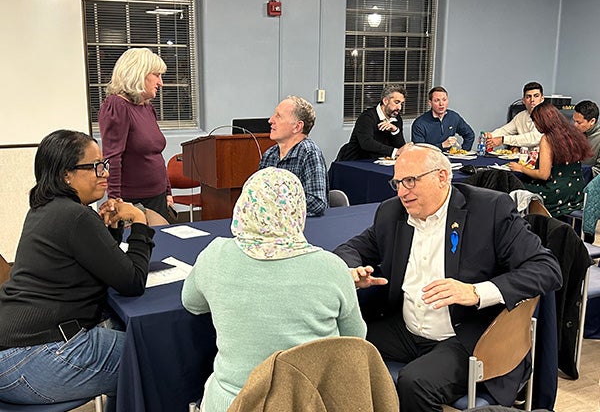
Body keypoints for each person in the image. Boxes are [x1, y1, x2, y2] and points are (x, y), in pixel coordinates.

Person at [333, 143, 562, 412]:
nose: (403, 192)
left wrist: (477, 292)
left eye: (410, 181)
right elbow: (351, 249)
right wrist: (352, 270)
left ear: (442, 176)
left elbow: (546, 268)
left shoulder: (489, 210)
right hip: (406, 327)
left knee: (415, 382)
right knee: (341, 347)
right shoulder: (392, 212)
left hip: (466, 335)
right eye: (397, 183)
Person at [181, 167, 366, 412]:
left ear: (244, 204)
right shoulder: (332, 268)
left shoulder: (215, 254)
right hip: (309, 403)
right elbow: (354, 340)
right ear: (298, 209)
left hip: (233, 401)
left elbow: (191, 302)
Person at [0, 130, 155, 410]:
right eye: (95, 166)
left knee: (128, 335)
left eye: (104, 164)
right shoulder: (75, 216)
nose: (104, 173)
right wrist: (140, 224)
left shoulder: (45, 209)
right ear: (65, 175)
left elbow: (95, 262)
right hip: (34, 357)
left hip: (13, 349)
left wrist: (108, 229)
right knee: (152, 358)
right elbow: (132, 281)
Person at [99, 47, 173, 221]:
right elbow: (113, 157)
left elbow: (156, 154)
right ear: (139, 74)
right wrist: (115, 199)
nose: (161, 83)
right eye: (156, 75)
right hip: (132, 201)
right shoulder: (117, 106)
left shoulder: (147, 107)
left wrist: (167, 191)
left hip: (158, 196)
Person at [508, 101, 592, 217]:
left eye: (535, 121)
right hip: (576, 192)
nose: (535, 126)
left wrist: (521, 168)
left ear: (542, 121)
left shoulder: (547, 139)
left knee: (514, 188)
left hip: (556, 192)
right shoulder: (574, 133)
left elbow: (543, 174)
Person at [258, 96, 328, 216]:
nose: (270, 120)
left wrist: (275, 205)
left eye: (278, 116)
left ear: (297, 127)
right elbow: (257, 194)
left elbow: (317, 202)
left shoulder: (309, 153)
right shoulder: (269, 154)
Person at [336, 84, 406, 160]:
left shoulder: (397, 119)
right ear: (385, 101)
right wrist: (394, 152)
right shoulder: (367, 117)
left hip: (382, 163)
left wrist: (395, 131)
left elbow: (400, 149)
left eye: (401, 104)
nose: (399, 107)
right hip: (357, 163)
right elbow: (367, 143)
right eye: (396, 102)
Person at [411, 86, 475, 151]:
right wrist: (442, 145)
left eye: (444, 100)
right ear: (430, 103)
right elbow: (419, 150)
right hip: (430, 159)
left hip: (450, 158)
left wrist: (463, 151)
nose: (441, 104)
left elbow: (469, 134)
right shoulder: (419, 123)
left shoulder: (453, 117)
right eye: (437, 100)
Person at [485, 81, 544, 149]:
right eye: (528, 97)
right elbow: (505, 130)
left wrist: (503, 140)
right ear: (523, 100)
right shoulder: (521, 116)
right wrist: (490, 136)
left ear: (542, 99)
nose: (532, 100)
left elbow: (534, 138)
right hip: (523, 157)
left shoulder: (547, 116)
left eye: (536, 96)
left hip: (541, 157)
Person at [573, 100, 600, 177]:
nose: (575, 125)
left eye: (579, 123)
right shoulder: (578, 133)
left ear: (592, 121)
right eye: (574, 121)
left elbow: (598, 171)